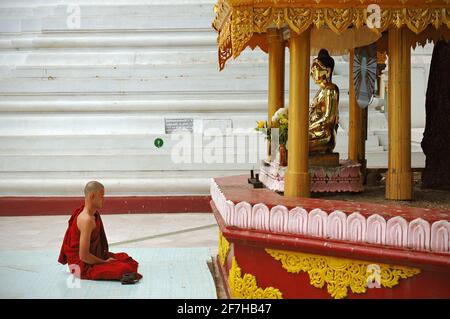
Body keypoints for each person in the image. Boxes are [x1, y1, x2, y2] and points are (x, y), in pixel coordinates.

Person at [58, 181, 142, 283]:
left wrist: (105, 260)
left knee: (126, 259)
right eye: (102, 196)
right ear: (92, 196)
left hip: (90, 257)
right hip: (81, 266)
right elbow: (83, 256)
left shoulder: (93, 214)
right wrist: (104, 262)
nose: (104, 199)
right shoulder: (86, 220)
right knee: (123, 269)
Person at [309, 49, 340, 153]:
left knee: (297, 142)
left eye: (315, 69)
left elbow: (329, 118)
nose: (312, 72)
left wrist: (309, 128)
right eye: (312, 69)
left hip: (324, 134)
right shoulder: (321, 91)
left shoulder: (330, 89)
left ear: (327, 71)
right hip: (315, 131)